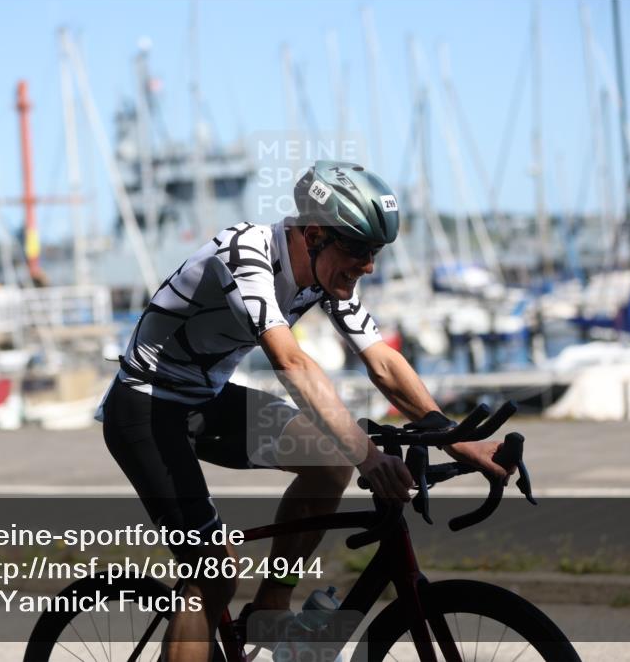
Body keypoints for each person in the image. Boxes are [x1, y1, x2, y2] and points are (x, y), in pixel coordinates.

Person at [97, 160, 510, 661]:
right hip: (145, 408)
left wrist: (456, 438)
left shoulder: (324, 275)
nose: (368, 266)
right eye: (359, 250)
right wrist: (368, 457)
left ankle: (271, 605)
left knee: (329, 463)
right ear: (314, 235)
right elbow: (290, 361)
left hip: (205, 400)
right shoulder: (244, 254)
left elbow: (381, 361)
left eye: (375, 252)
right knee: (214, 574)